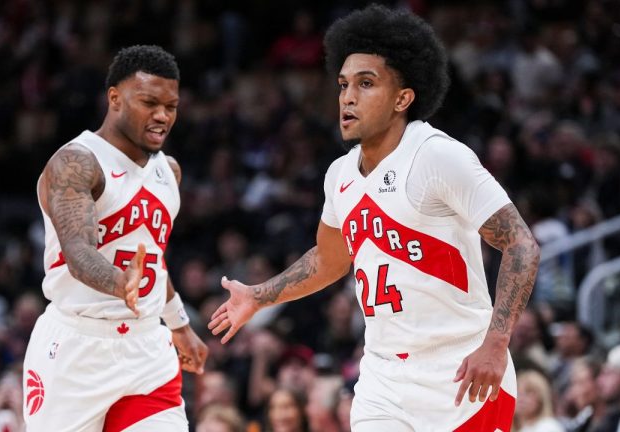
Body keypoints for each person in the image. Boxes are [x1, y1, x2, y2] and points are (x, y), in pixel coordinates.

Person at [209, 5, 540, 431]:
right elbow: (330, 261)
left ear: (403, 98)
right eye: (344, 84)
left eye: (366, 84)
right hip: (383, 376)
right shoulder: (340, 175)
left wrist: (497, 342)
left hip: (460, 370)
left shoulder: (437, 156)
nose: (347, 96)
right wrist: (260, 295)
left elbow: (521, 244)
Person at [23, 45, 208, 431]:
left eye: (171, 106)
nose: (162, 116)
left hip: (146, 350)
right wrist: (119, 281)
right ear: (115, 99)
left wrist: (179, 325)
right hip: (76, 349)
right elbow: (78, 252)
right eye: (149, 102)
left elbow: (152, 259)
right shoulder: (77, 162)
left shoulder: (168, 171)